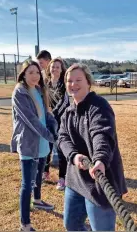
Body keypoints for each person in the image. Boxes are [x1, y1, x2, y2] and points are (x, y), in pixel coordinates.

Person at [57, 63, 128, 231]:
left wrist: (100, 159)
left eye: (78, 80)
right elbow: (62, 138)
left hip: (100, 181)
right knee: (71, 225)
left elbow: (101, 134)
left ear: (88, 82)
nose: (73, 84)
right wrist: (74, 156)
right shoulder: (68, 112)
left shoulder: (99, 106)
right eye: (69, 81)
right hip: (75, 180)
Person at [11, 60, 58, 231]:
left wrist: (54, 126)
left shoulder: (38, 89)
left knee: (39, 174)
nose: (35, 75)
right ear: (23, 74)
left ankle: (37, 201)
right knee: (27, 184)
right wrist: (50, 135)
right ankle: (24, 224)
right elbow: (31, 120)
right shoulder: (19, 92)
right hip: (29, 142)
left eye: (37, 72)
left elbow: (45, 113)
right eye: (30, 72)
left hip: (42, 141)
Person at [43, 58, 70, 191]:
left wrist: (53, 113)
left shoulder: (64, 84)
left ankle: (62, 178)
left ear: (61, 69)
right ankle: (45, 172)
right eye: (52, 67)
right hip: (48, 119)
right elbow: (42, 99)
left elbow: (65, 102)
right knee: (46, 147)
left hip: (61, 120)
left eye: (57, 67)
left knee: (61, 150)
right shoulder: (45, 83)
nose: (54, 69)